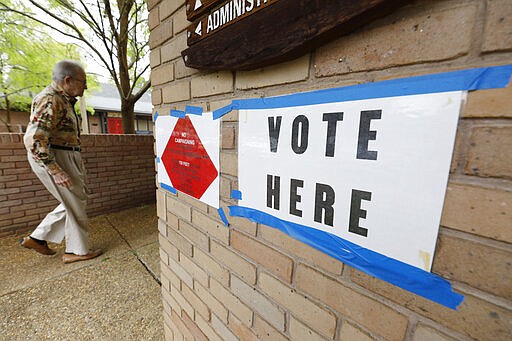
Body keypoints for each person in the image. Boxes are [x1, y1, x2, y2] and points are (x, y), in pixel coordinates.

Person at [21, 60, 102, 264]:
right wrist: (55, 170)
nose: (85, 86)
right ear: (68, 80)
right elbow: (36, 138)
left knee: (75, 200)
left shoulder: (62, 99)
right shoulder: (50, 99)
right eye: (83, 81)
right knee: (76, 202)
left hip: (64, 153)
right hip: (55, 155)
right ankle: (77, 251)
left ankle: (38, 238)